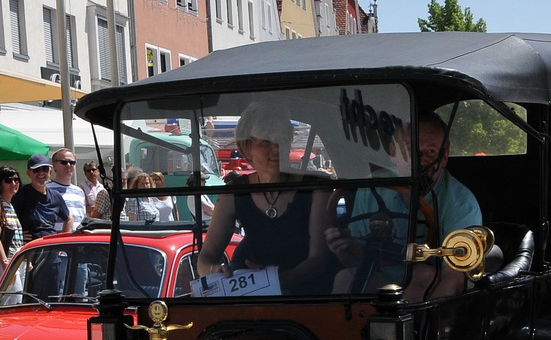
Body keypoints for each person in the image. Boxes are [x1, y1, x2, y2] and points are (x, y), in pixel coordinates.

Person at [325, 111, 482, 298]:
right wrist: (345, 250)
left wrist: (425, 314)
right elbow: (359, 261)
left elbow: (455, 278)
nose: (419, 161)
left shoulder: (462, 205)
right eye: (409, 150)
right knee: (344, 278)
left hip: (430, 291)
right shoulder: (372, 188)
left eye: (430, 152)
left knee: (421, 274)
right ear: (393, 152)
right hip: (381, 280)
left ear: (445, 157)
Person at [198, 104, 332, 294]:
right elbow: (205, 259)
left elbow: (318, 260)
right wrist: (216, 270)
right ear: (246, 148)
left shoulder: (316, 187)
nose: (276, 148)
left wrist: (271, 281)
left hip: (309, 296)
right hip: (255, 297)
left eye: (282, 139)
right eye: (265, 142)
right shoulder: (233, 193)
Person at [12, 155, 72, 239]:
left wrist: (64, 240)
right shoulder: (20, 194)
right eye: (36, 170)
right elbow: (7, 219)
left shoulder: (56, 196)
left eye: (45, 169)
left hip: (51, 244)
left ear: (50, 172)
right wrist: (17, 236)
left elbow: (69, 219)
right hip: (31, 245)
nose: (41, 173)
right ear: (29, 173)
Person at [0, 166, 25, 285]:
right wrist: (4, 262)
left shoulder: (10, 205)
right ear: (0, 183)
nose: (13, 183)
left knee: (19, 296)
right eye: (8, 180)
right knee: (12, 296)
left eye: (16, 179)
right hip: (4, 261)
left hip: (17, 259)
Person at [49, 149, 90, 227]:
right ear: (54, 165)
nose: (68, 165)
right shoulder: (46, 190)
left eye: (72, 162)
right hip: (55, 235)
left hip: (77, 234)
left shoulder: (79, 192)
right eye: (64, 162)